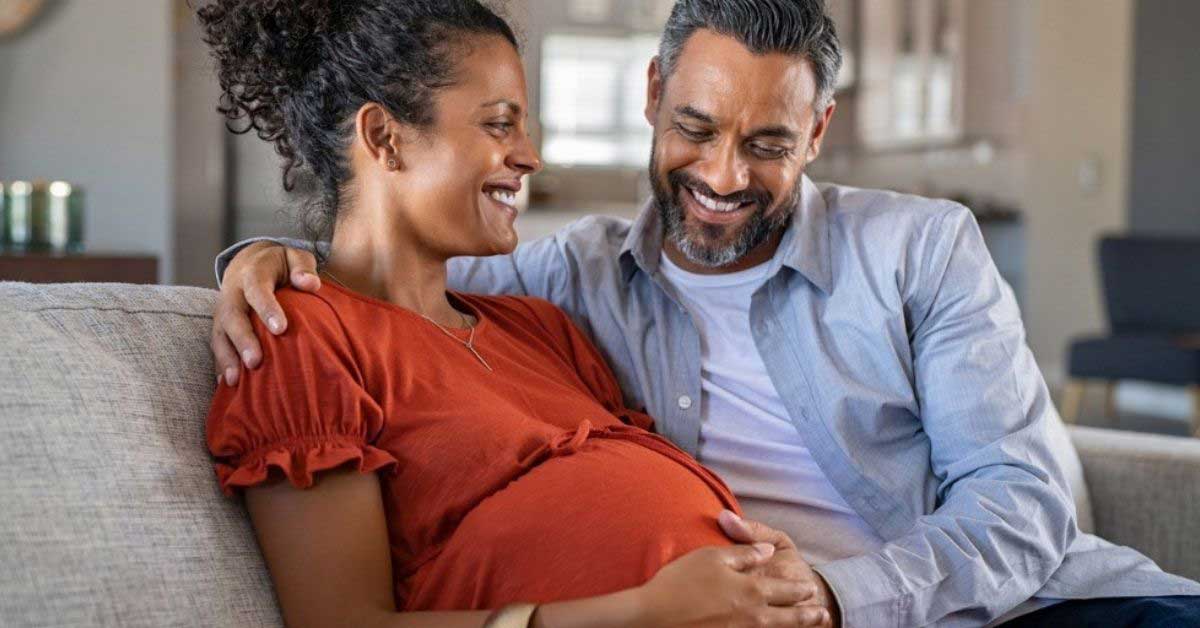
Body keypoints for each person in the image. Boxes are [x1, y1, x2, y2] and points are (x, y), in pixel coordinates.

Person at [213, 1, 1200, 626]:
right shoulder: (574, 279)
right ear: (651, 97)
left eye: (767, 141)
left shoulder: (920, 247)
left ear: (817, 133)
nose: (725, 176)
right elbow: (375, 294)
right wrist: (270, 259)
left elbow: (1024, 508)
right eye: (695, 128)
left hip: (1010, 608)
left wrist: (832, 593)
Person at [198, 1, 836, 627]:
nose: (530, 156)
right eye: (500, 125)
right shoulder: (301, 339)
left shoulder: (539, 326)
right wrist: (641, 611)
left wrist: (758, 570)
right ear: (384, 138)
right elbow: (340, 623)